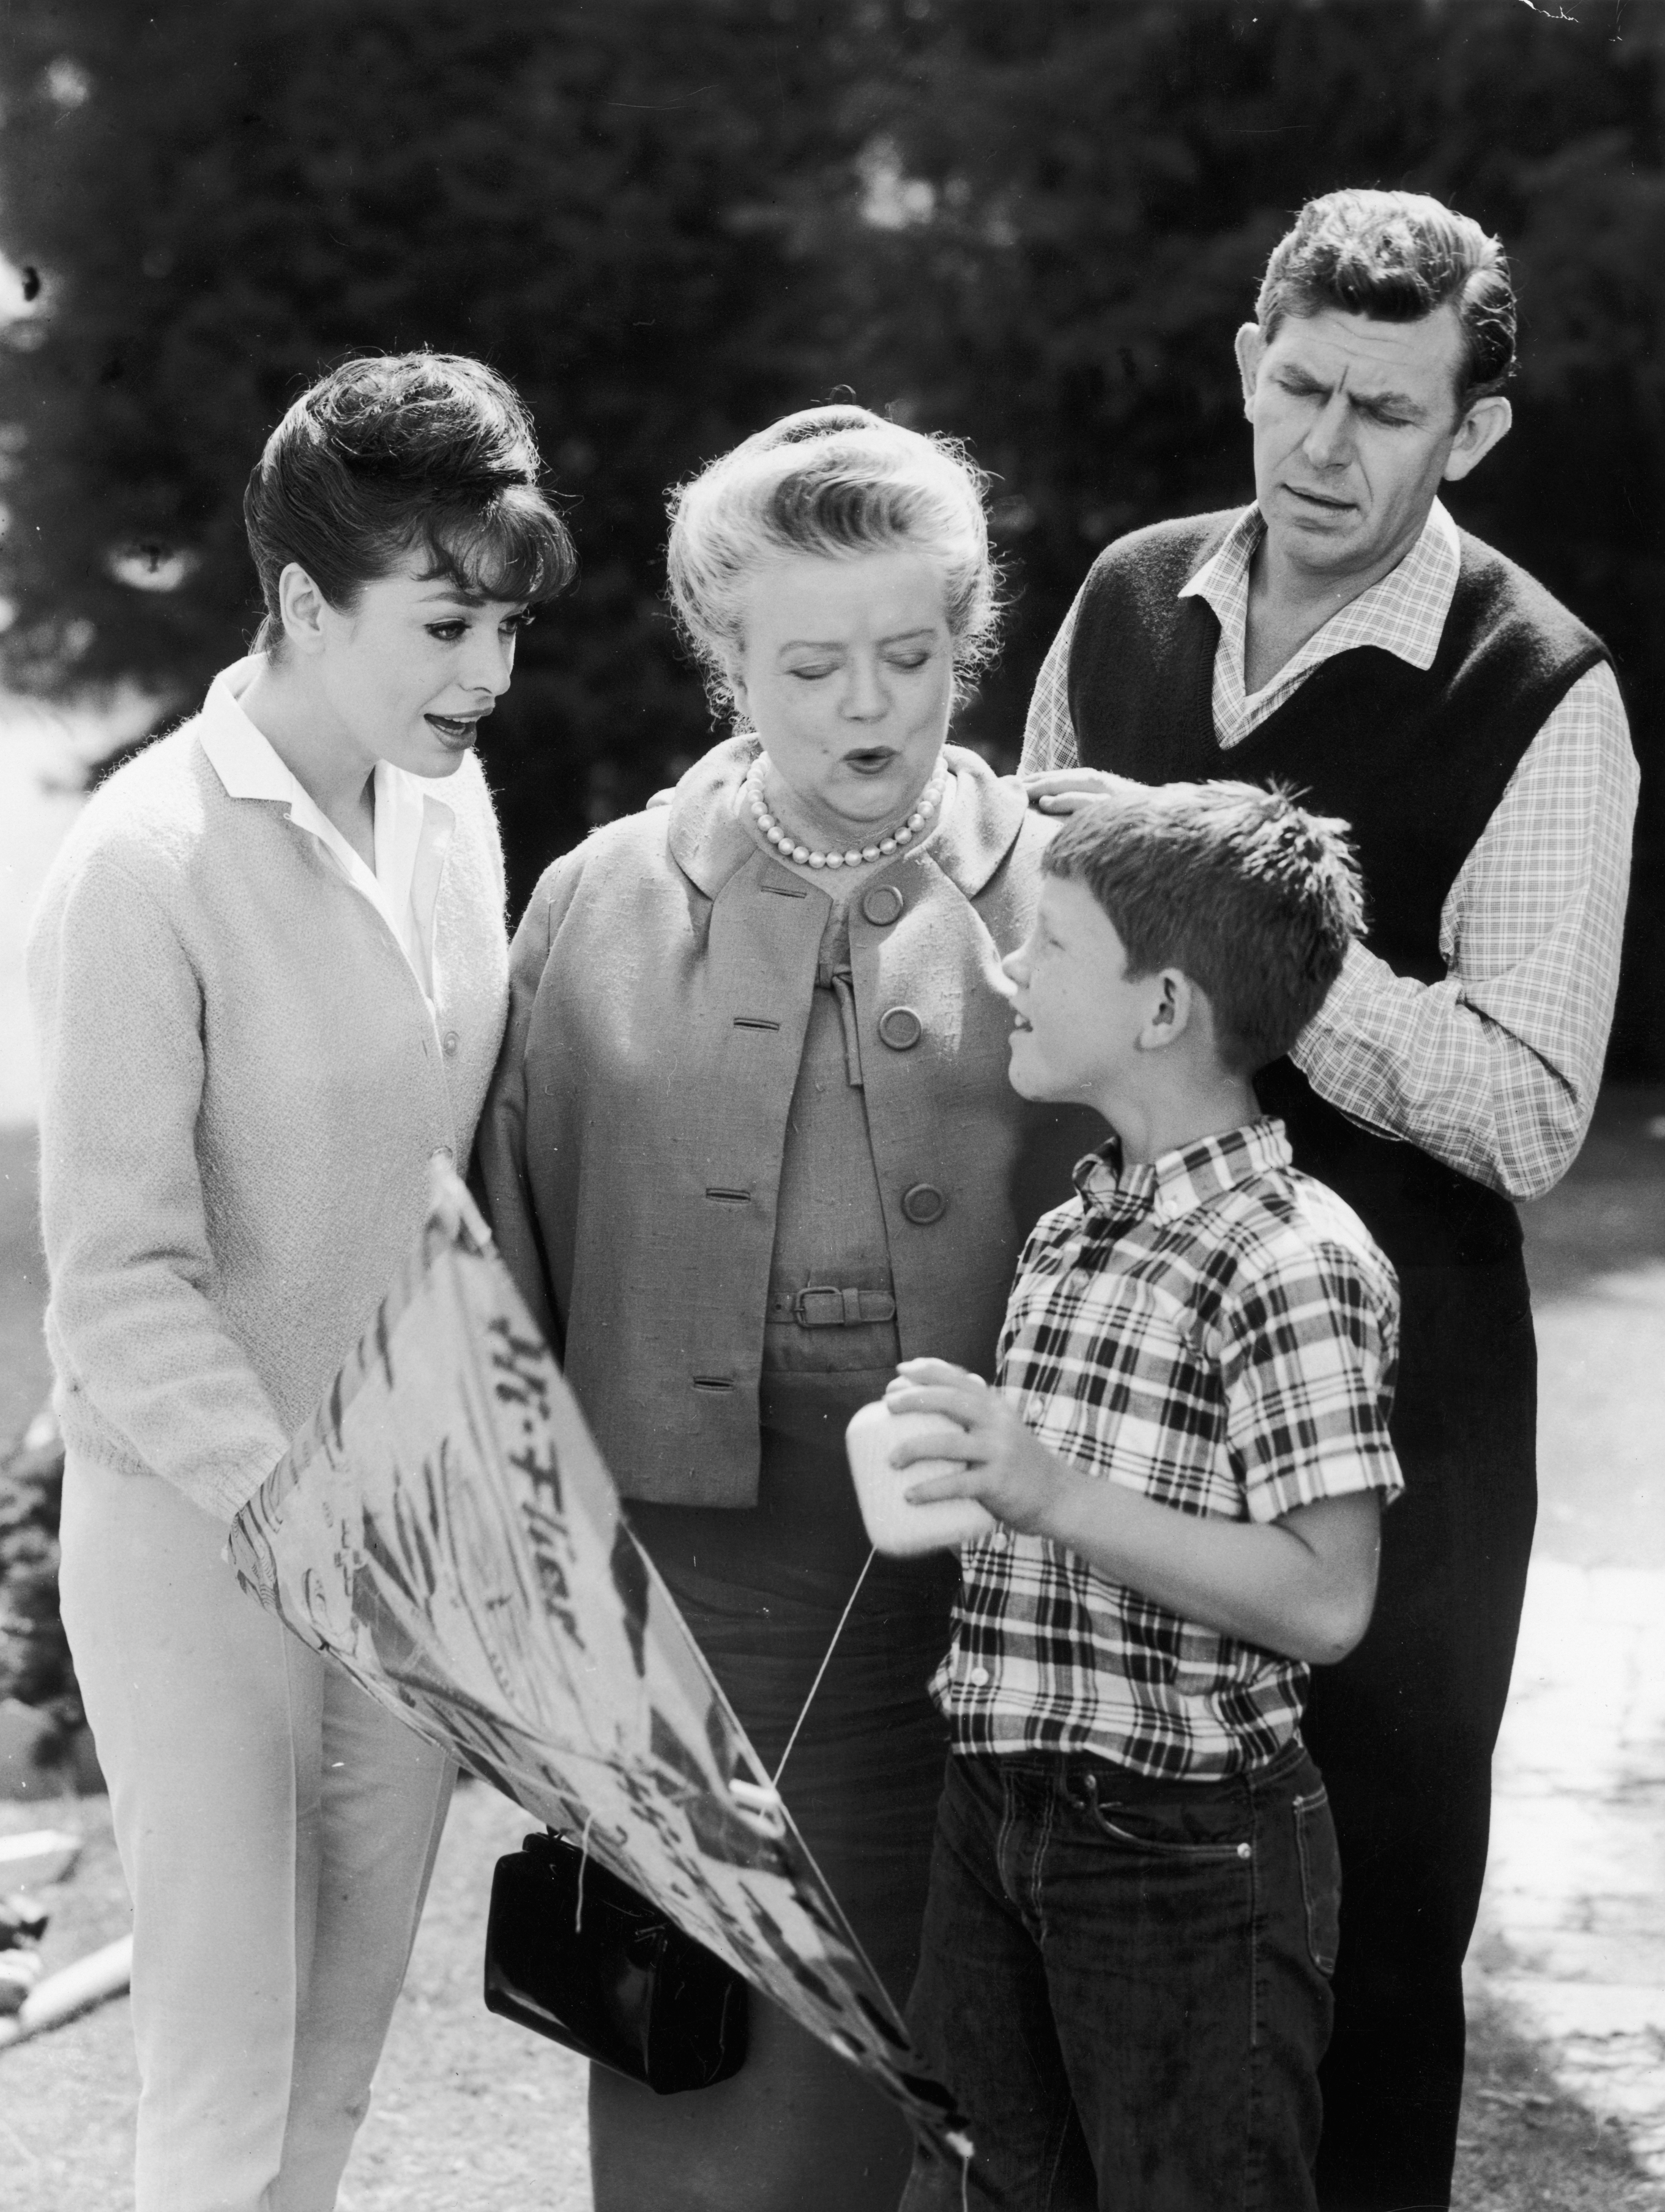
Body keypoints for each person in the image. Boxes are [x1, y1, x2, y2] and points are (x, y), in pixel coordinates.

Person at [1019, 190, 1639, 2210]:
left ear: (1470, 435)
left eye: (1385, 409)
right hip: (1099, 1390)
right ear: (1244, 361)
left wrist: (1243, 906)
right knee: (1064, 1950)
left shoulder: (1543, 685)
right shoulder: (1118, 603)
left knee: (1360, 1981)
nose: (1321, 443)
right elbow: (1018, 941)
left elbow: (1533, 1116)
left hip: (1388, 1434)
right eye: (1297, 385)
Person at [476, 404, 1097, 2212]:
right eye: (809, 663)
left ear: (965, 646)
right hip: (694, 1617)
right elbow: (504, 1267)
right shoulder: (594, 900)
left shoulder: (1078, 890)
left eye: (909, 656)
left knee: (984, 2079)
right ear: (723, 657)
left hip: (1014, 1602)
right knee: (706, 2077)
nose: (865, 706)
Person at [28, 352, 574, 2212]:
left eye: (501, 627)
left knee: (340, 2062)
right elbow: (113, 1284)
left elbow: (452, 1181)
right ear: (298, 603)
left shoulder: (452, 812)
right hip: (202, 1532)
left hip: (401, 1524)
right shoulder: (142, 863)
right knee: (222, 2072)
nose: (485, 676)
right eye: (443, 626)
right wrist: (292, 1519)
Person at [887, 781, 1404, 2211]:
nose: (1008, 970)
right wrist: (979, 1477)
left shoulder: (1288, 1256)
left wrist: (1043, 1489)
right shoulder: (1076, 1222)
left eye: (1048, 946)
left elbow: (1324, 1595)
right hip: (997, 1806)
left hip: (1184, 1847)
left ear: (1162, 1003)